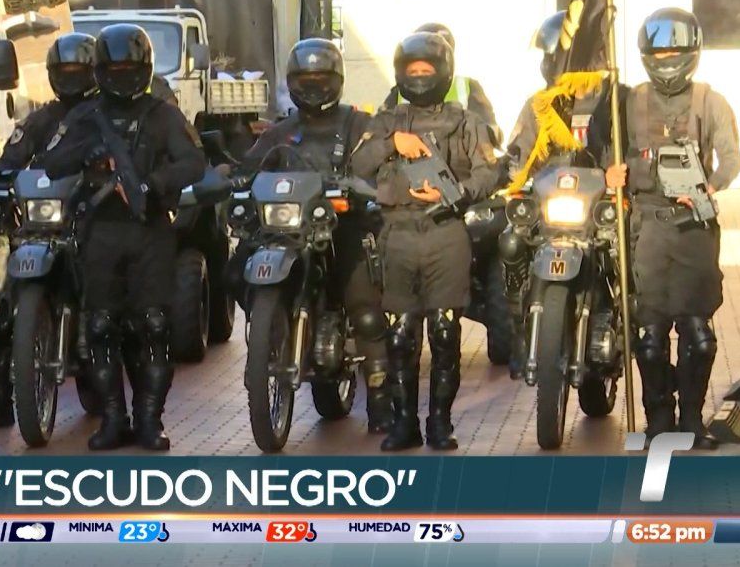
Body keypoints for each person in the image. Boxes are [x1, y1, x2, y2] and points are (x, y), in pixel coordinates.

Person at [43, 23, 206, 451]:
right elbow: (53, 161)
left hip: (150, 229)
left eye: (130, 66)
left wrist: (151, 183)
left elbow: (193, 162)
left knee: (153, 325)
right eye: (113, 66)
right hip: (100, 231)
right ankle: (113, 417)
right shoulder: (85, 115)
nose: (122, 74)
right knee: (100, 327)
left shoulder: (161, 114)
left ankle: (149, 420)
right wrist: (89, 154)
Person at [352, 32, 499, 451]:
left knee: (444, 332)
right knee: (400, 336)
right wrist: (390, 144)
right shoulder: (384, 121)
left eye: (426, 70)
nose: (418, 78)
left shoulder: (465, 120)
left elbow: (490, 172)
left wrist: (456, 194)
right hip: (396, 233)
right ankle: (403, 425)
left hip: (445, 233)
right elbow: (357, 164)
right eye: (411, 71)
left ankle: (440, 423)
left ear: (443, 72)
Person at [233, 37, 387, 432]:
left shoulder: (358, 124)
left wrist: (365, 186)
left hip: (342, 227)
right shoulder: (280, 131)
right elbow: (252, 166)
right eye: (306, 78)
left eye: (321, 77)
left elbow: (379, 165)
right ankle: (272, 327)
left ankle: (382, 400)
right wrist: (230, 176)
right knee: (234, 269)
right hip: (288, 231)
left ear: (336, 79)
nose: (314, 85)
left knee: (365, 309)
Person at [605, 8, 740, 449]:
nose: (667, 59)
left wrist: (711, 185)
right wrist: (613, 173)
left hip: (694, 227)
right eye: (659, 52)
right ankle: (658, 420)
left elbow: (731, 158)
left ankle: (692, 423)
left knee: (698, 335)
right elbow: (606, 152)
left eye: (675, 51)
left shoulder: (710, 100)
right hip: (647, 226)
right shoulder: (627, 101)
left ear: (692, 53)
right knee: (650, 335)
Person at [0, 31, 98, 430]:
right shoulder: (41, 119)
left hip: (84, 223)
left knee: (111, 297)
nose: (72, 77)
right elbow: (11, 158)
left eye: (79, 70)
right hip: (35, 228)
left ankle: (112, 394)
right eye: (65, 70)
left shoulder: (103, 119)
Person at [498, 11, 617, 378]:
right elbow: (520, 154)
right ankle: (520, 320)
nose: (559, 66)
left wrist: (619, 175)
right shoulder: (540, 105)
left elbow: (627, 148)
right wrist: (515, 182)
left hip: (599, 208)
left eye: (570, 60)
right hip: (552, 210)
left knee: (630, 254)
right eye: (555, 59)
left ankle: (624, 325)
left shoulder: (613, 102)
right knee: (511, 243)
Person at [382, 23, 499, 143]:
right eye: (414, 71)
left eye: (427, 70)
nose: (420, 76)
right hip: (409, 158)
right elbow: (378, 130)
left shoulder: (467, 86)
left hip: (457, 157)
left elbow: (490, 132)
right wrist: (395, 140)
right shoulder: (401, 90)